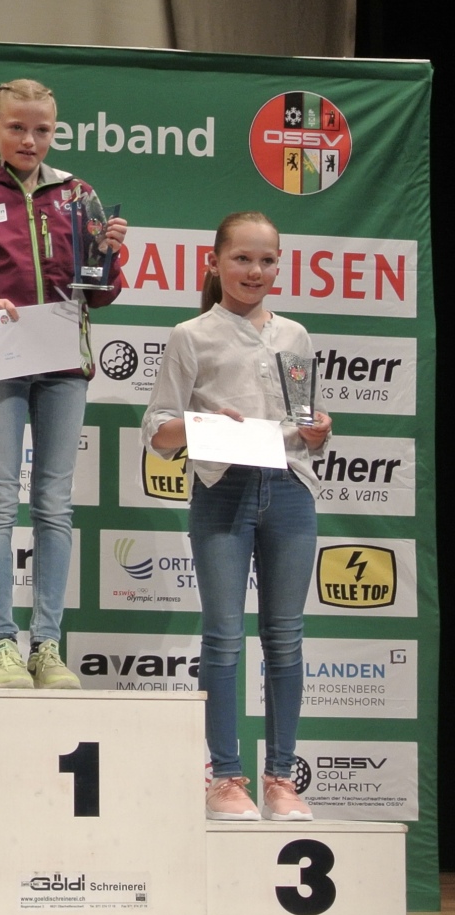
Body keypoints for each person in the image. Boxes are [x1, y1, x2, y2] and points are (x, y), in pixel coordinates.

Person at [0, 79, 127, 689]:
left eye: (42, 129)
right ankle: (1, 646)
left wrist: (108, 257)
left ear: (54, 131)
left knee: (55, 505)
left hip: (64, 364)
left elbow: (101, 294)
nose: (30, 139)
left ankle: (48, 645)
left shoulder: (80, 196)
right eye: (16, 127)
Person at [142, 212, 330, 821]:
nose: (255, 271)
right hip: (222, 489)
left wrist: (319, 431)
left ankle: (282, 779)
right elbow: (158, 432)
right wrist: (202, 425)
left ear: (279, 265)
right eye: (242, 259)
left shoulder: (296, 335)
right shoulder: (191, 335)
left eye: (266, 260)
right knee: (223, 636)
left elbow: (307, 421)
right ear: (215, 262)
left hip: (291, 488)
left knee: (285, 636)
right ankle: (226, 778)